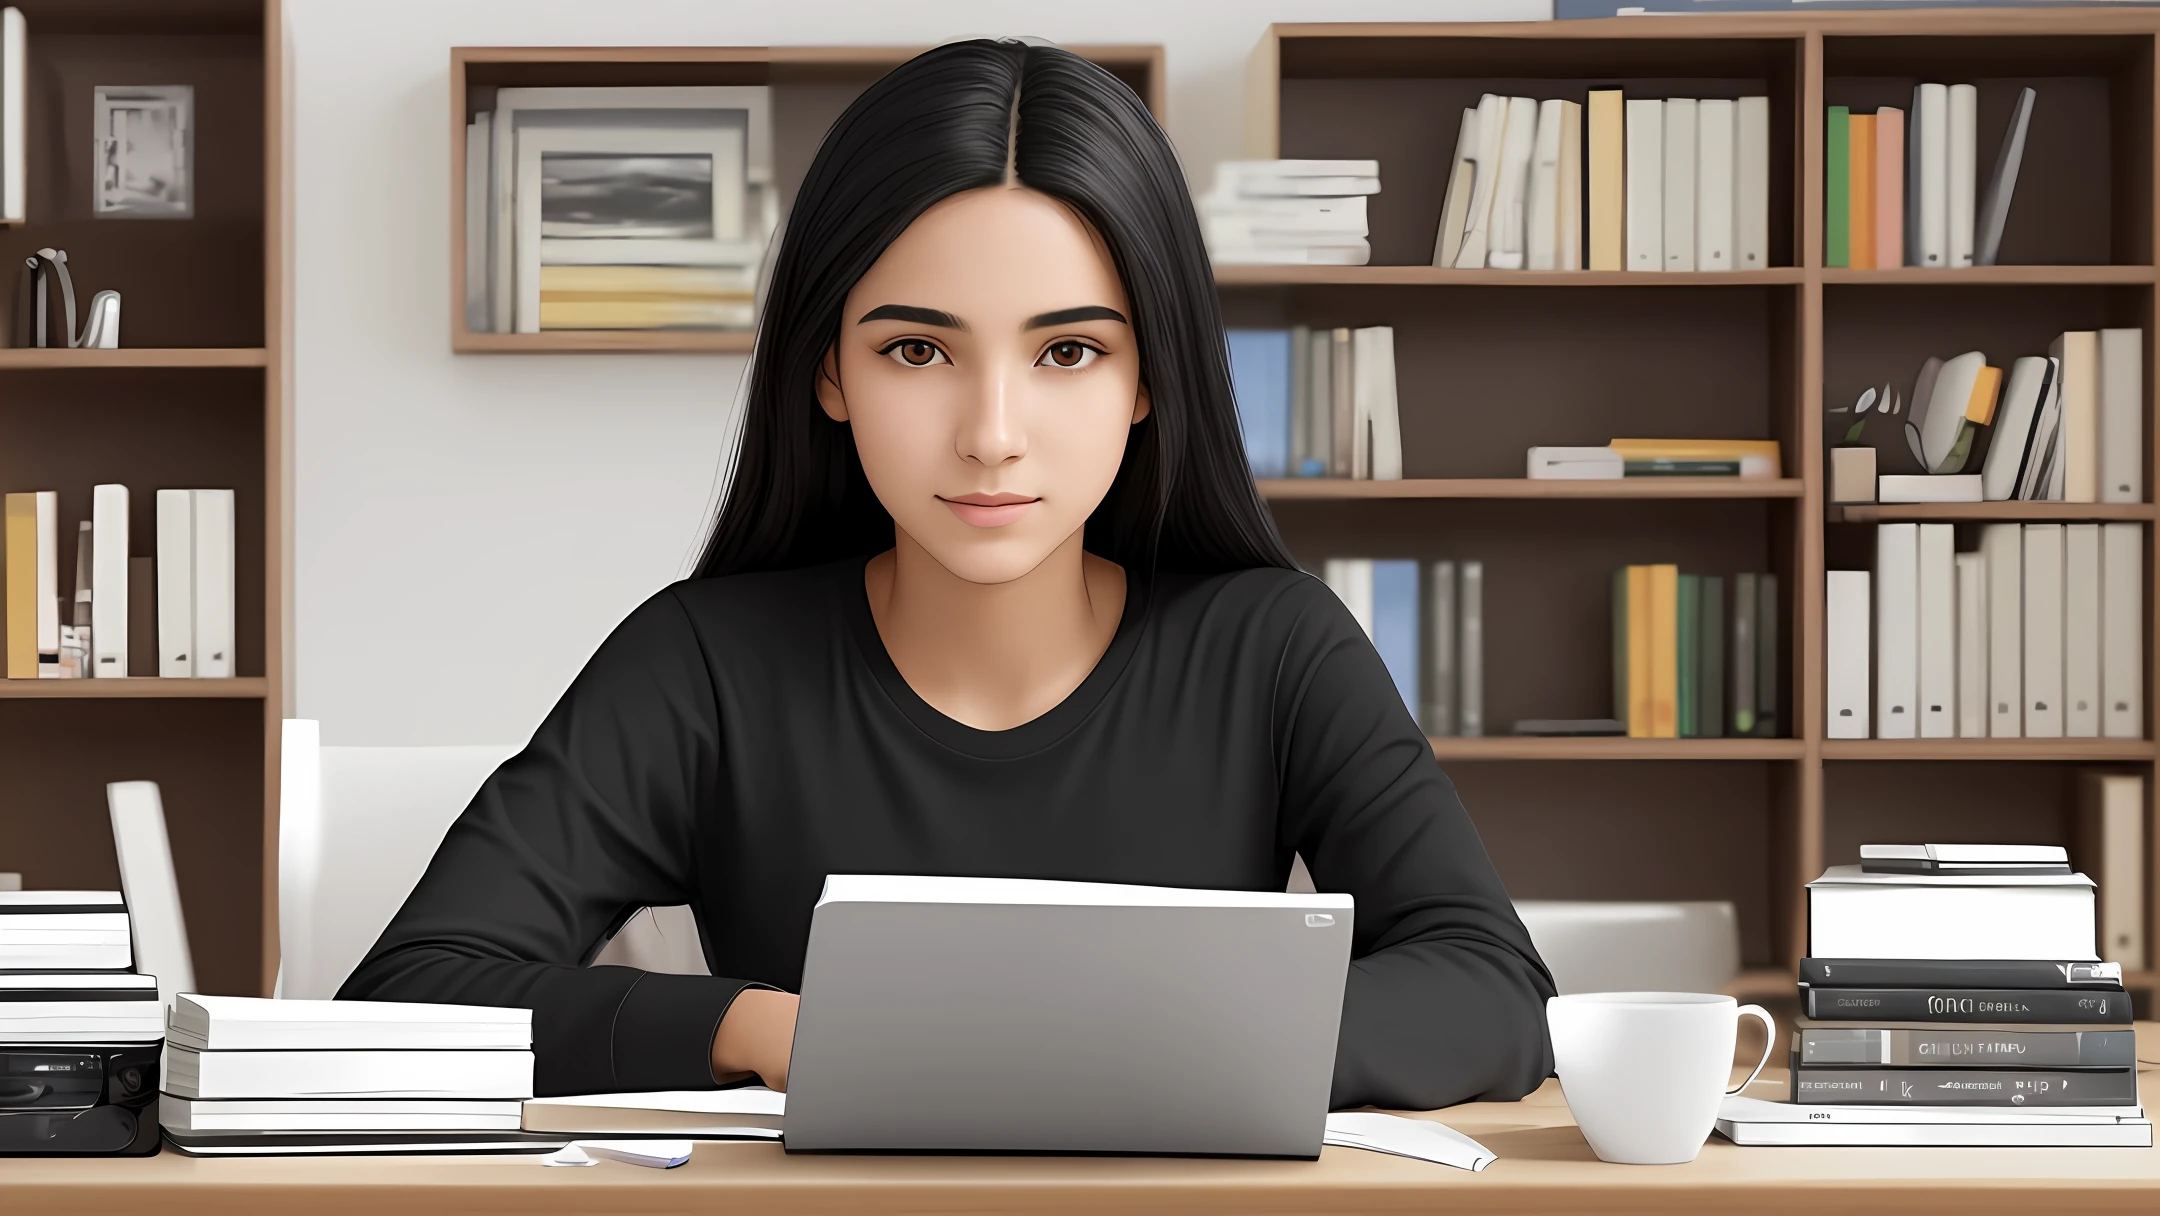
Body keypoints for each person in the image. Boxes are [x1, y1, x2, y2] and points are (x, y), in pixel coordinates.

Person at [341, 38, 1555, 1111]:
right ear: (830, 375)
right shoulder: (704, 663)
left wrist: (1136, 1046)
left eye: (1068, 350)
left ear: (1149, 382)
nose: (991, 432)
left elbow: (1493, 988)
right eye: (917, 349)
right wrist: (774, 1028)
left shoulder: (1274, 648)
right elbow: (412, 991)